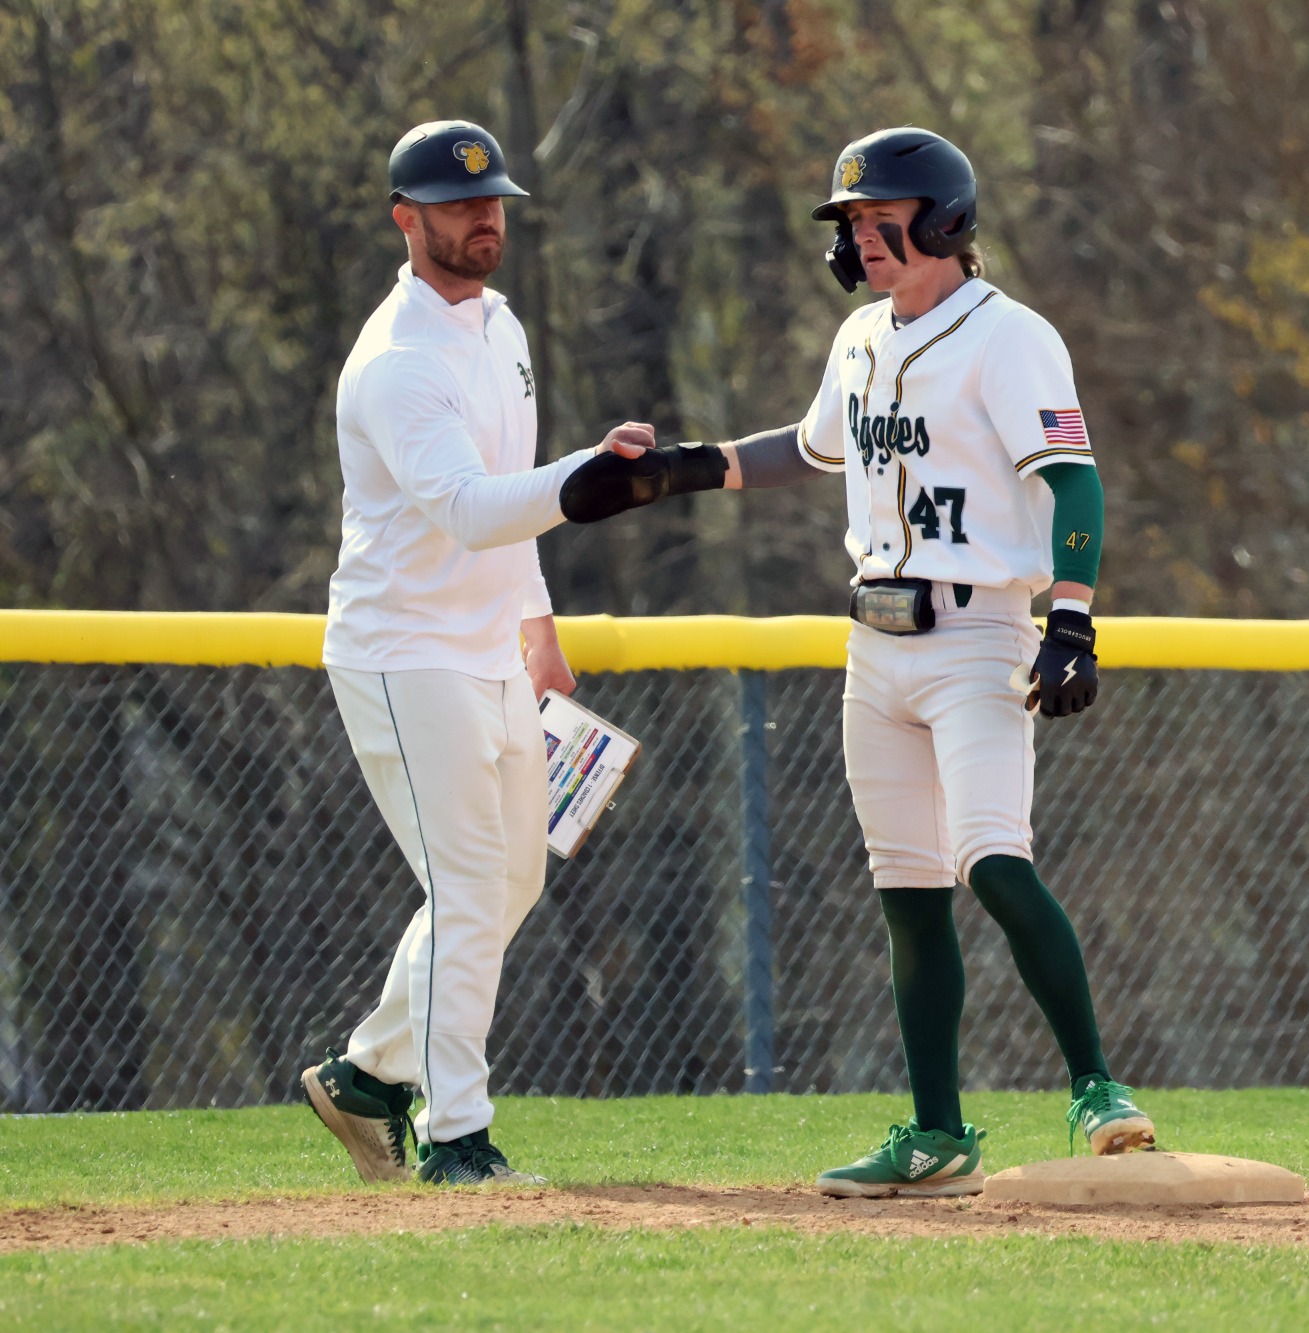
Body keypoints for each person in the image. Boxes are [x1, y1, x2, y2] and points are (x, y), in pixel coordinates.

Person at [561, 126, 1154, 1197]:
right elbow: (811, 446)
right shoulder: (859, 337)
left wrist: (1071, 619)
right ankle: (937, 1134)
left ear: (944, 220)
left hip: (978, 632)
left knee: (992, 858)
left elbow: (1073, 479)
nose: (861, 237)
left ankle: (1096, 1086)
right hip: (874, 645)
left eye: (882, 217)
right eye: (850, 222)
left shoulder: (1008, 336)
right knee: (907, 889)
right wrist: (681, 471)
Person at [301, 120, 652, 1187]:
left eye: (491, 199)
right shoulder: (396, 362)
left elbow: (506, 492)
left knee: (511, 880)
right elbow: (465, 507)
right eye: (457, 205)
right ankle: (457, 1135)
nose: (482, 217)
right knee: (464, 885)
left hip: (489, 646)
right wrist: (581, 478)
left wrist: (536, 624)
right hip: (405, 651)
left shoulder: (501, 326)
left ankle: (367, 1077)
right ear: (405, 221)